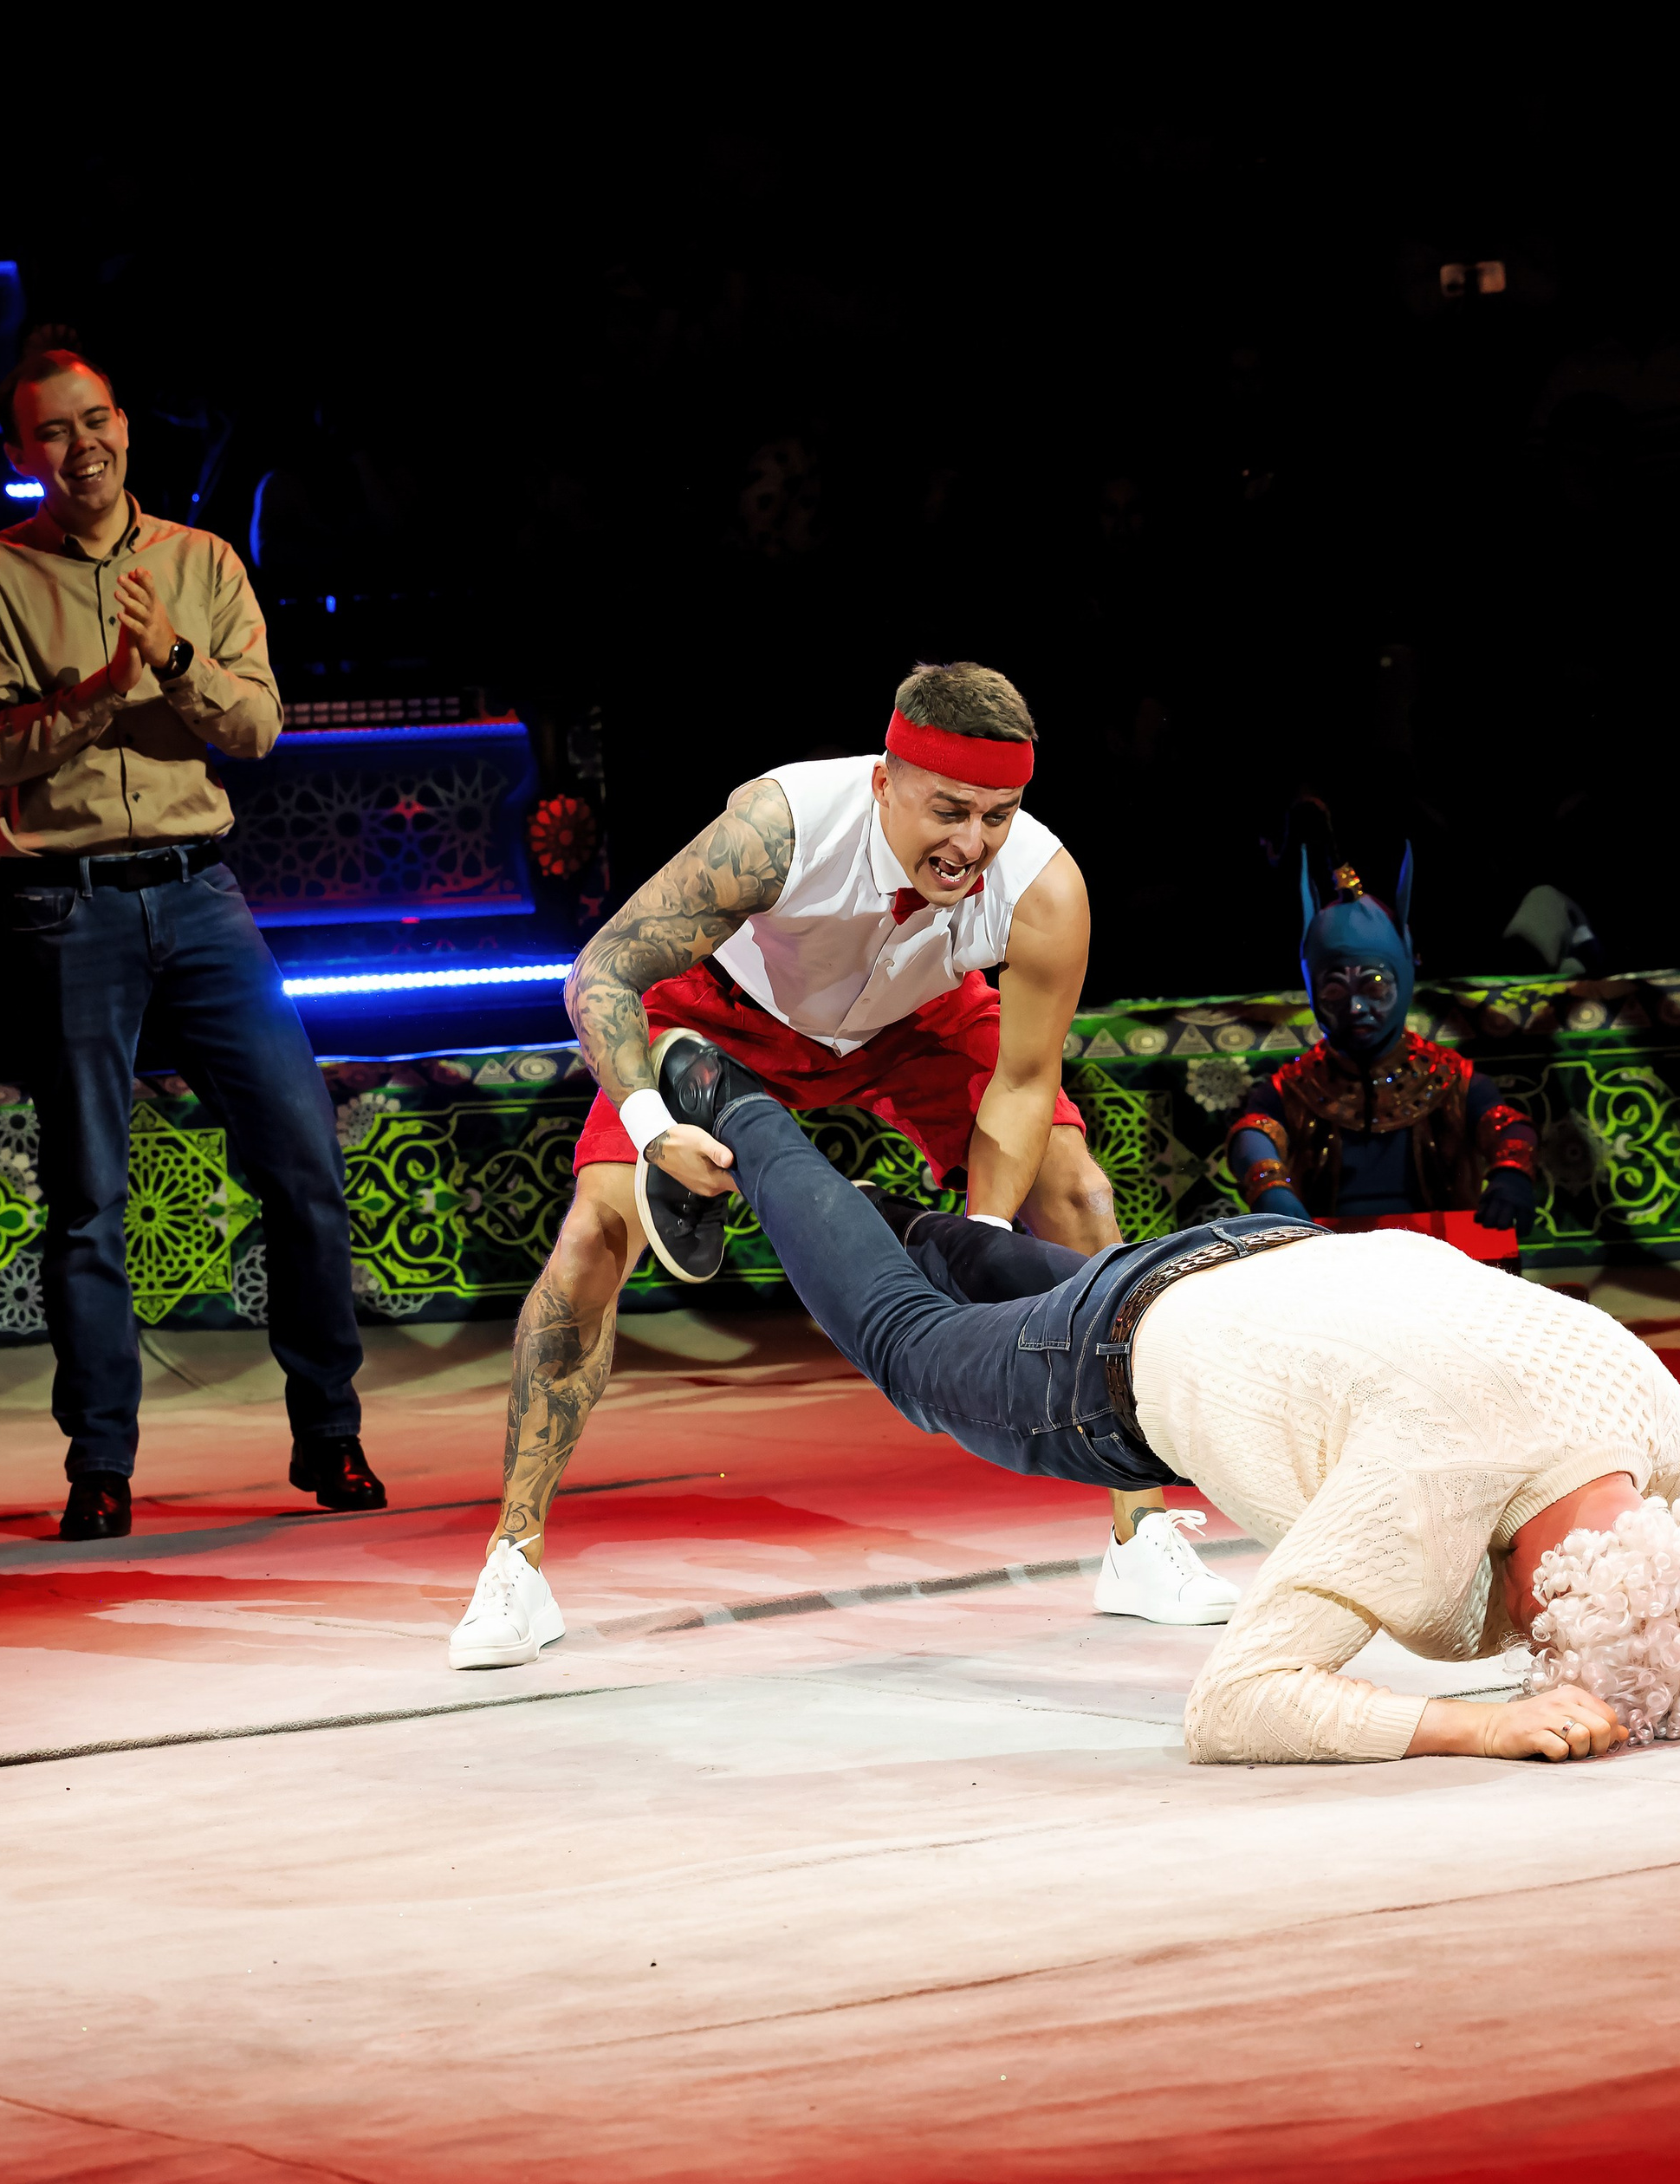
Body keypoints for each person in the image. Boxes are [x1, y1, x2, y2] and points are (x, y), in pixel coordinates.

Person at [451, 661, 1234, 1670]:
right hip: (717, 1018)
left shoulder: (1043, 886)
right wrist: (649, 1128)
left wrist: (982, 1242)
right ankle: (513, 1561)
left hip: (914, 1023)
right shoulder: (779, 825)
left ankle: (1139, 1533)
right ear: (883, 782)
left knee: (1077, 1193)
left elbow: (1025, 1080)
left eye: (997, 815)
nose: (972, 844)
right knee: (593, 1236)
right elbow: (603, 968)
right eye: (949, 810)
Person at [632, 1028, 1676, 1765]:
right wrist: (1477, 1725)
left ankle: (848, 1218)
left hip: (1247, 1257)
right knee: (909, 1343)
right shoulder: (1422, 1491)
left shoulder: (1640, 1397)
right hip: (1117, 1359)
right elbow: (1232, 1708)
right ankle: (732, 1105)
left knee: (946, 1265)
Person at [0, 330, 383, 1538]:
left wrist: (172, 660)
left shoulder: (202, 562)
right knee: (88, 1195)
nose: (80, 446)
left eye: (96, 422)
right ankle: (101, 1464)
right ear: (21, 450)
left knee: (301, 1160)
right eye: (52, 430)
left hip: (201, 889)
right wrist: (98, 691)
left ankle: (330, 1433)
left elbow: (254, 730)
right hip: (68, 901)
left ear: (125, 426)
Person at [1228, 853, 1538, 1225]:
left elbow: (1505, 1125)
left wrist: (1512, 1170)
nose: (1356, 1008)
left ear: (1403, 981)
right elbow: (1254, 1130)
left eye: (1373, 986)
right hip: (1328, 1256)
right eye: (1334, 991)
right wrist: (1268, 1183)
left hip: (1441, 1254)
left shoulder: (1452, 1079)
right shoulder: (1295, 1088)